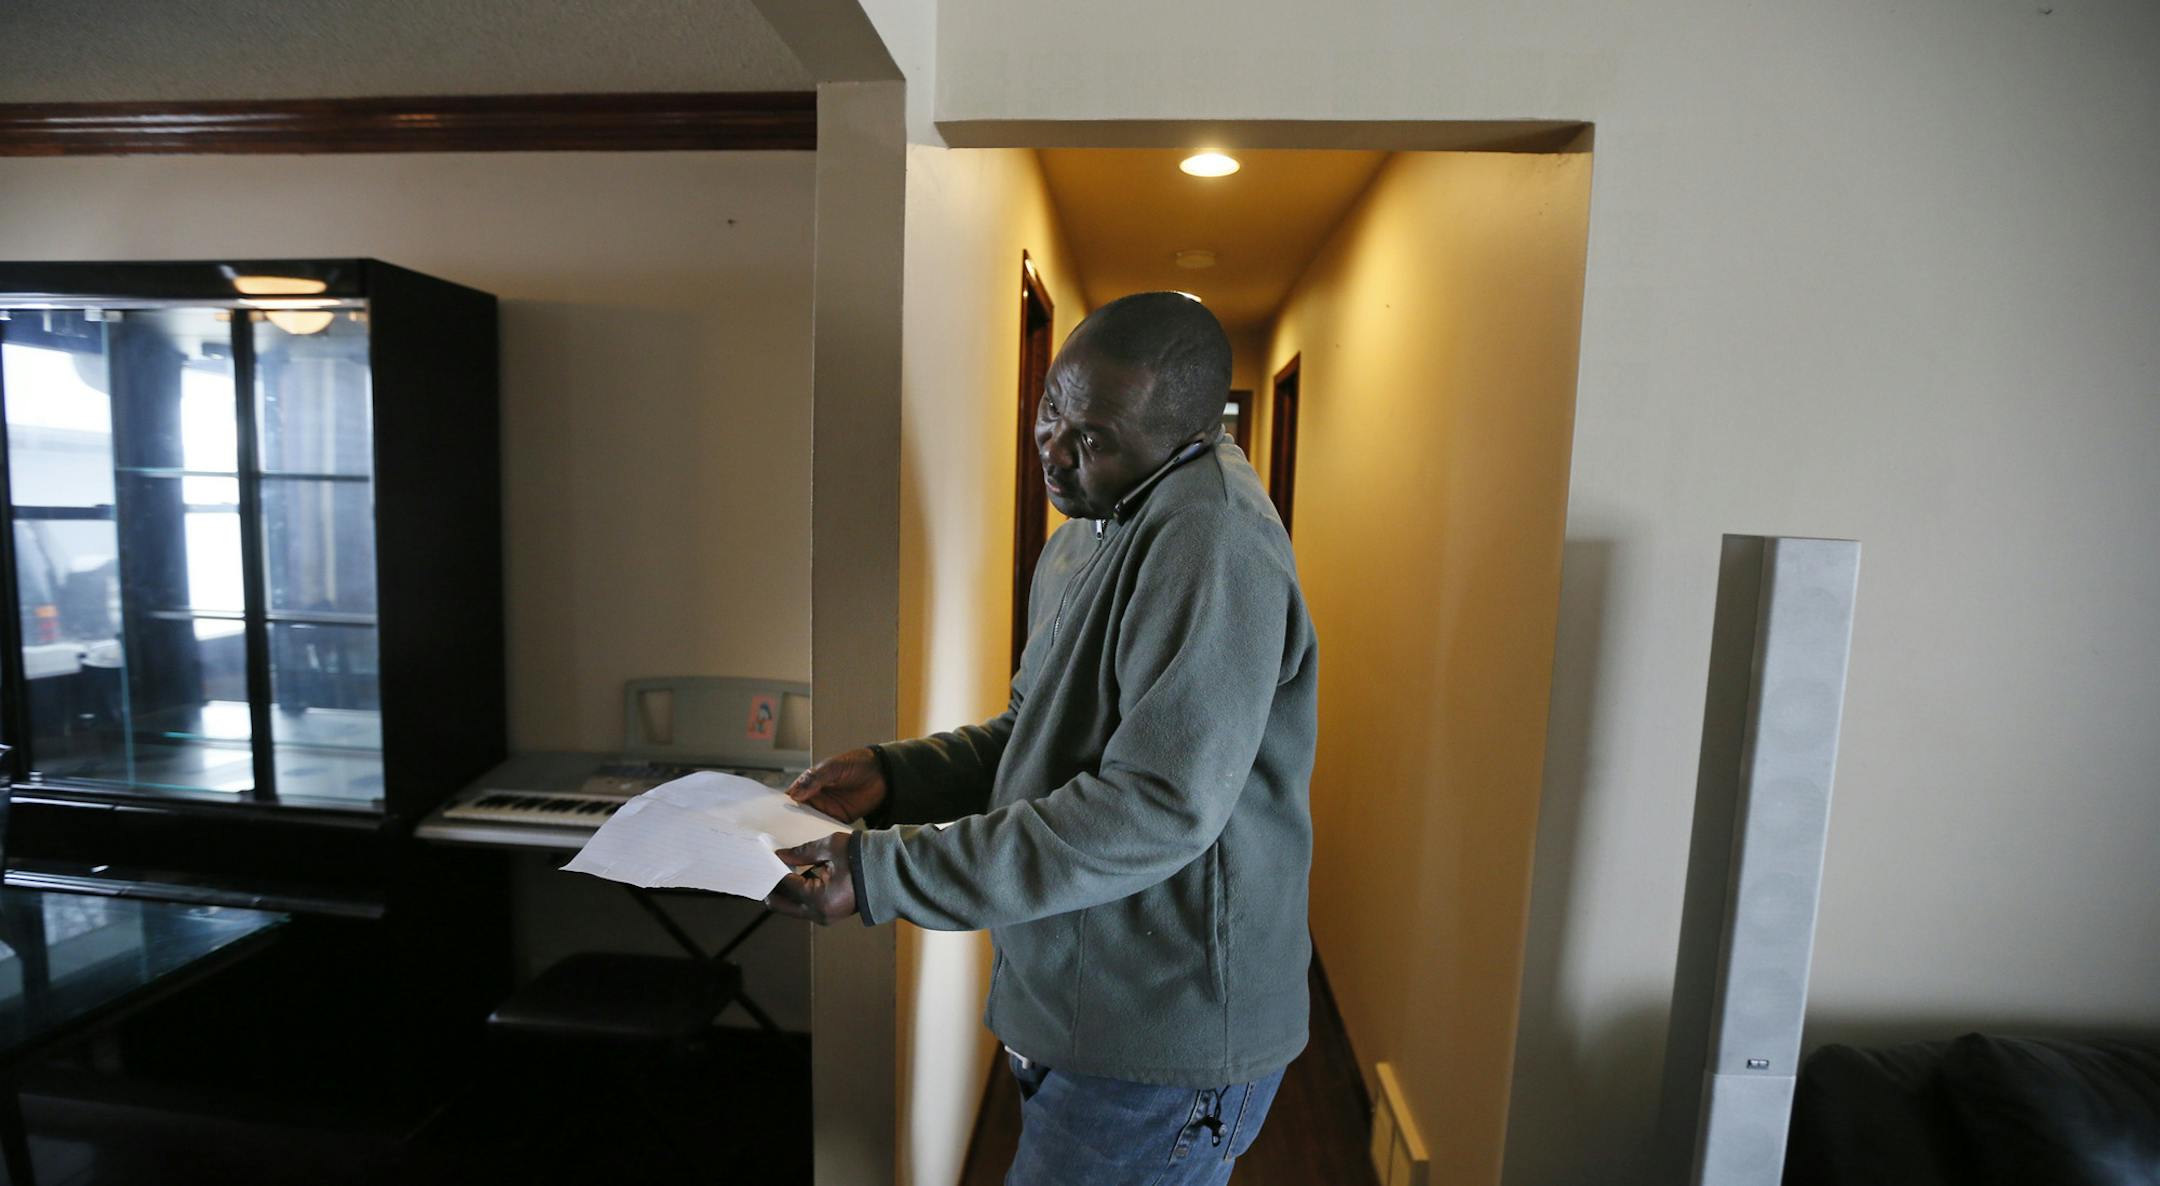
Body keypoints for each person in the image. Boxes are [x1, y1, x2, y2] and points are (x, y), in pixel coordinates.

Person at [766, 291, 1317, 1185]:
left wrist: (882, 873)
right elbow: (1037, 733)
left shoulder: (1209, 540)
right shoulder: (1086, 530)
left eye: (1093, 438)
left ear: (1184, 437)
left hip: (1156, 1042)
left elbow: (1156, 807)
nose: (1054, 450)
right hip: (1076, 1007)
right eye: (1053, 410)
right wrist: (895, 779)